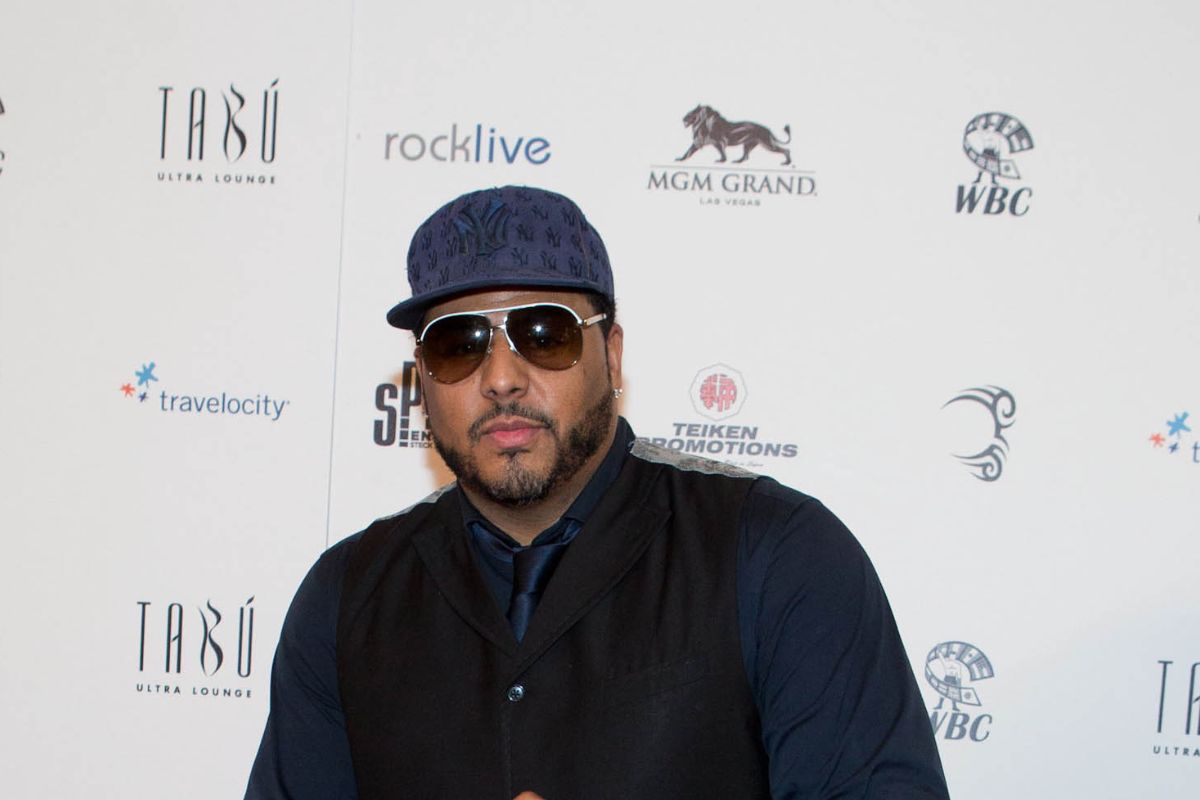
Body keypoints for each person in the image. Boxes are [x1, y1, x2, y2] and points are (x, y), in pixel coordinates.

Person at [245, 186, 949, 799]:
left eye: (543, 333)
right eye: (458, 344)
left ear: (610, 355)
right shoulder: (347, 595)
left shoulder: (775, 553)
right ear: (422, 380)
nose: (501, 377)